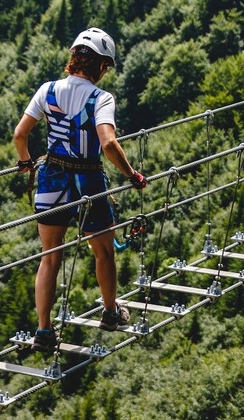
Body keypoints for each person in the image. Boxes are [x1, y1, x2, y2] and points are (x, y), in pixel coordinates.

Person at [12, 27, 146, 347]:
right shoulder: (101, 98)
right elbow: (109, 144)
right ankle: (111, 312)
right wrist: (131, 175)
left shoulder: (48, 91)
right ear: (101, 65)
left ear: (74, 58)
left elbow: (20, 134)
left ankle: (44, 330)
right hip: (88, 181)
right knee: (103, 253)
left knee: (50, 257)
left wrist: (25, 161)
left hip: (51, 179)